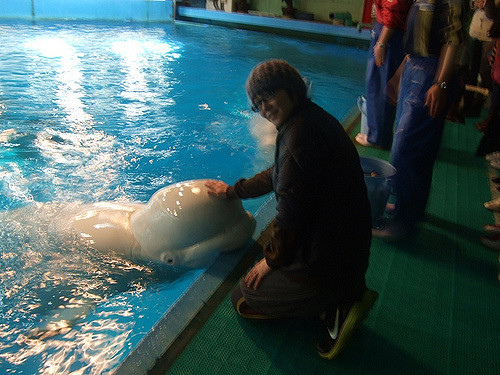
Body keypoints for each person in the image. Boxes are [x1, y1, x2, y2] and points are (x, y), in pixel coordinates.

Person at [205, 60, 378, 359]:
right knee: (260, 279)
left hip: (330, 261)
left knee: (244, 297)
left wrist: (271, 261)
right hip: (347, 247)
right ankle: (337, 291)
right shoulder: (310, 119)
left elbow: (290, 216)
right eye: (257, 103)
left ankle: (336, 305)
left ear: (292, 90)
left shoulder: (298, 135)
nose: (264, 107)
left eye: (269, 95)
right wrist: (234, 192)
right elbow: (280, 173)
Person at [372, 0, 466, 239]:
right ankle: (410, 207)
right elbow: (415, 39)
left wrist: (440, 84)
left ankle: (404, 223)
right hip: (415, 66)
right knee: (417, 147)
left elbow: (452, 40)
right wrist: (401, 73)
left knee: (407, 149)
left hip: (431, 72)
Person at [355, 0, 411, 150]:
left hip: (389, 35)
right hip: (392, 33)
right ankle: (382, 134)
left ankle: (377, 138)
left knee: (379, 86)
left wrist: (381, 43)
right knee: (385, 85)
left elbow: (393, 12)